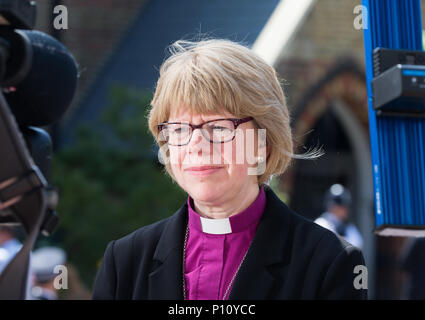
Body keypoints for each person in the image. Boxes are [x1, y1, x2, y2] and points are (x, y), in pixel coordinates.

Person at [92, 38, 367, 300]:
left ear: (263, 142)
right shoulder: (124, 262)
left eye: (218, 128)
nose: (196, 145)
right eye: (179, 129)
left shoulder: (328, 262)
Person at [315, 184, 364, 249]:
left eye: (345, 206)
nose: (346, 209)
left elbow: (358, 245)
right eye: (342, 206)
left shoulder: (348, 226)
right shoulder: (321, 223)